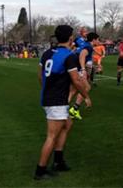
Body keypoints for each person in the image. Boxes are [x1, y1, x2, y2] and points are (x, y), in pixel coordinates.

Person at [34, 25, 91, 180]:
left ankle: (58, 161)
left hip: (50, 97)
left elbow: (40, 75)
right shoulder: (69, 55)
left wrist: (47, 88)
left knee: (67, 124)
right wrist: (85, 96)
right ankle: (40, 170)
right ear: (71, 38)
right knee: (51, 136)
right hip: (56, 100)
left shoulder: (47, 53)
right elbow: (76, 81)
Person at [68, 32, 99, 120]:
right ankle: (74, 108)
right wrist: (83, 69)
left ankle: (64, 110)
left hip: (73, 67)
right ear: (93, 40)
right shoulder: (88, 47)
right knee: (86, 87)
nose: (99, 41)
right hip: (77, 69)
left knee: (73, 91)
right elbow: (82, 56)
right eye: (98, 39)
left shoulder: (86, 45)